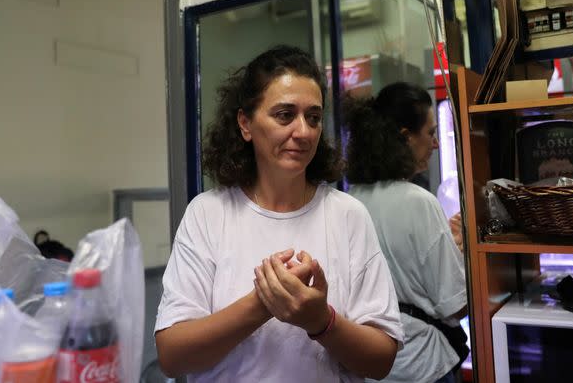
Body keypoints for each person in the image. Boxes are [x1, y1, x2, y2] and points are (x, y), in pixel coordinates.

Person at [154, 46, 403, 382]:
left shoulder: (347, 215)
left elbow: (381, 360)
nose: (303, 132)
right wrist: (262, 304)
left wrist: (322, 322)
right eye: (285, 115)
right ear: (245, 123)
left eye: (313, 117)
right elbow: (172, 355)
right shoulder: (208, 214)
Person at [344, 82, 468, 383]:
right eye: (430, 132)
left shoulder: (349, 201)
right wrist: (461, 251)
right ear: (405, 137)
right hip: (422, 365)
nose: (436, 143)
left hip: (371, 366)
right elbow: (455, 305)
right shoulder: (419, 202)